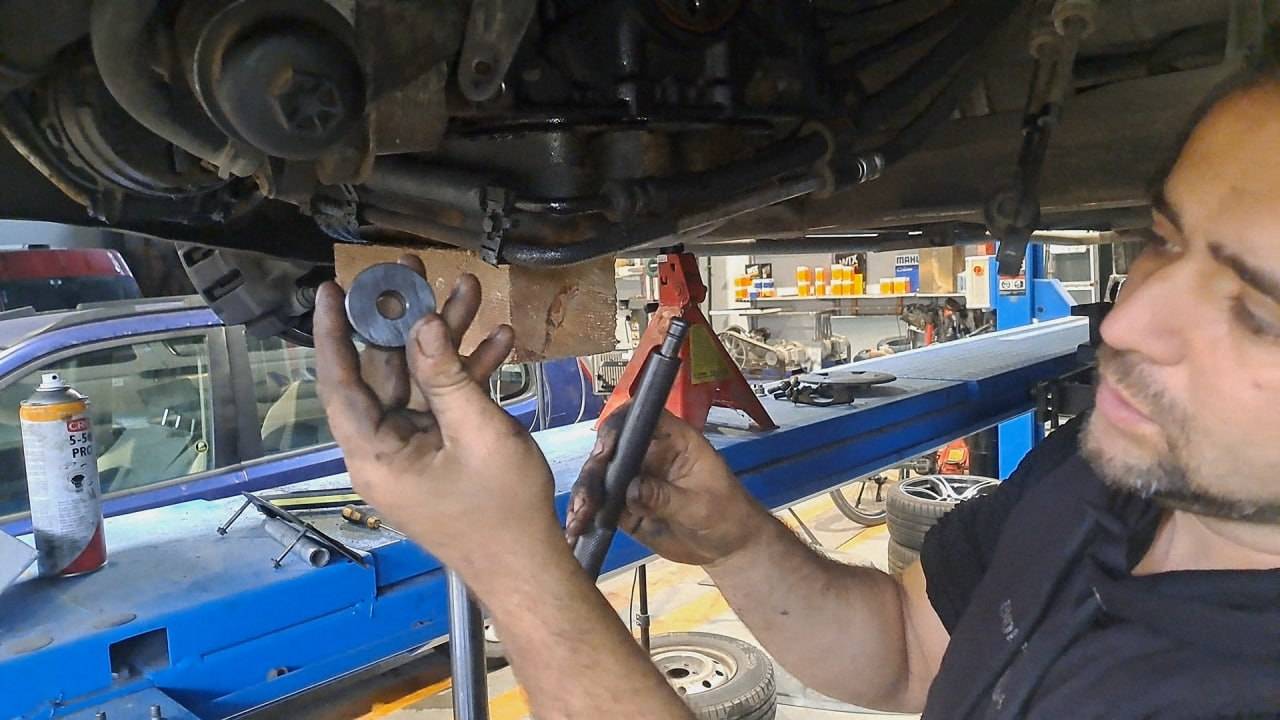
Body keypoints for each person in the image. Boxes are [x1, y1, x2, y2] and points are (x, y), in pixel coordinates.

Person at [314, 66, 1280, 719]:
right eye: (1163, 238)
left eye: (1257, 314)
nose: (1126, 322)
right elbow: (911, 651)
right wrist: (737, 541)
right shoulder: (1110, 475)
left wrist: (508, 562)